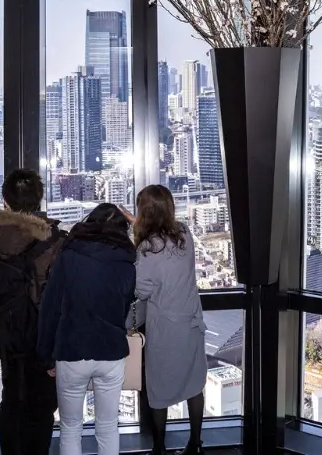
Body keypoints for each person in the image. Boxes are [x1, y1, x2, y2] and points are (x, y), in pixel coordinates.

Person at [0, 169, 67, 455]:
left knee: (12, 401)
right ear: (39, 199)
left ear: (5, 201)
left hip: (7, 334)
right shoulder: (54, 239)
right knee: (43, 406)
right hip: (42, 336)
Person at [37, 203, 137, 455]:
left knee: (70, 427)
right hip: (111, 350)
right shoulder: (126, 262)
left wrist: (46, 354)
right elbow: (125, 307)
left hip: (72, 348)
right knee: (108, 426)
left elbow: (51, 307)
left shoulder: (69, 255)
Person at [129, 185, 208, 455]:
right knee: (194, 384)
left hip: (166, 331)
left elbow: (141, 290)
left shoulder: (147, 250)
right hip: (192, 324)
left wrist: (135, 236)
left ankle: (160, 447)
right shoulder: (184, 234)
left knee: (159, 390)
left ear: (145, 213)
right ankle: (195, 443)